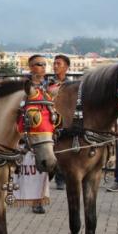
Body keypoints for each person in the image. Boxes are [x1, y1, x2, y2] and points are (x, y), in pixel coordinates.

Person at [26, 54, 50, 214]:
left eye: (44, 64)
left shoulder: (49, 85)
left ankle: (38, 200)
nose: (43, 67)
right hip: (30, 130)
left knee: (43, 168)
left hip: (46, 130)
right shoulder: (24, 86)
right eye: (39, 64)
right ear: (31, 67)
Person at [48, 54, 69, 190]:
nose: (55, 66)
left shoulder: (71, 84)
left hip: (65, 119)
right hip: (50, 119)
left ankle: (61, 178)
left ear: (66, 67)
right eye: (54, 63)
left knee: (63, 148)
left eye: (58, 64)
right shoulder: (48, 83)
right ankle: (48, 176)